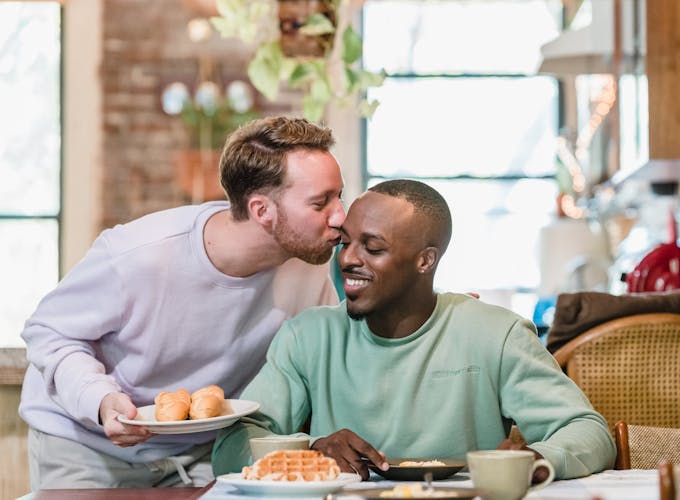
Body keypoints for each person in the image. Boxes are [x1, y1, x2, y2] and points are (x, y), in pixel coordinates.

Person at [211, 179, 616, 481]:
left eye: (373, 248)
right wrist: (309, 450)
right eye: (346, 242)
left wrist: (537, 461)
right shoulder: (308, 337)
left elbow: (589, 433)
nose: (347, 259)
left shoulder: (496, 334)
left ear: (426, 261)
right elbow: (232, 447)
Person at [19, 116, 346, 489]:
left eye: (339, 196)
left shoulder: (312, 264)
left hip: (202, 454)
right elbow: (49, 332)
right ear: (261, 211)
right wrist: (101, 401)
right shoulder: (139, 255)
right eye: (321, 202)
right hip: (88, 446)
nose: (340, 216)